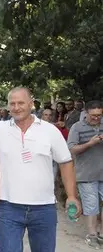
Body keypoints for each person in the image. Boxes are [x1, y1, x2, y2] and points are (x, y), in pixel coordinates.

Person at [0, 87, 81, 252]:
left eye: (21, 103)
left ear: (31, 104)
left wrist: (71, 196)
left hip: (44, 207)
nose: (16, 107)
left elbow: (65, 162)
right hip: (10, 208)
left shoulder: (49, 131)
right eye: (12, 103)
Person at [67, 100, 103, 248]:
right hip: (86, 174)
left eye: (99, 115)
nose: (97, 118)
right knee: (91, 206)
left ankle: (101, 234)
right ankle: (92, 235)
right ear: (86, 113)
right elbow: (72, 149)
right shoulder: (77, 127)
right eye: (93, 115)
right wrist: (90, 143)